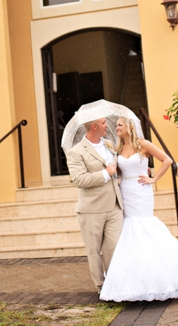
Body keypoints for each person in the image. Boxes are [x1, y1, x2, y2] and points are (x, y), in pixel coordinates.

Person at [99, 116, 178, 302]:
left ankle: (163, 277)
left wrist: (153, 179)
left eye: (120, 125)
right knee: (129, 230)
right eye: (116, 126)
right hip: (126, 191)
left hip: (141, 191)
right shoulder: (117, 148)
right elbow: (119, 170)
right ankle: (134, 280)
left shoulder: (143, 144)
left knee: (144, 226)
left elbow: (167, 160)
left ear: (130, 126)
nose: (117, 128)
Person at [66, 116, 124, 293]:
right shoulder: (76, 152)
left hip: (114, 205)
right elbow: (80, 180)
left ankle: (116, 284)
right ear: (94, 126)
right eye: (104, 123)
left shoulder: (108, 143)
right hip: (91, 209)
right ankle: (101, 287)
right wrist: (105, 173)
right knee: (94, 252)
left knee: (114, 247)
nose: (108, 126)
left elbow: (117, 168)